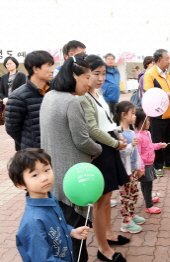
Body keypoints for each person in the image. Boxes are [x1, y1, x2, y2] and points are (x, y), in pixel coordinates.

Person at [40, 54, 103, 262]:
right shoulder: (71, 102)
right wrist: (99, 150)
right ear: (74, 76)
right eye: (86, 77)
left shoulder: (50, 96)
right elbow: (82, 140)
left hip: (55, 176)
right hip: (74, 179)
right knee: (77, 235)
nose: (89, 83)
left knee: (64, 230)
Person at [79, 55, 129, 261]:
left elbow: (107, 121)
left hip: (109, 144)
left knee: (108, 197)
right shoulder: (82, 97)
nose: (100, 78)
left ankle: (108, 233)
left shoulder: (98, 94)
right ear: (85, 74)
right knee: (100, 201)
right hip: (99, 149)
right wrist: (115, 143)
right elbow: (92, 129)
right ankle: (102, 248)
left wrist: (118, 135)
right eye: (95, 74)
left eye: (103, 74)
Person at [9, 148, 90, 262]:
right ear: (21, 184)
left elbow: (56, 226)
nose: (44, 178)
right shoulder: (33, 223)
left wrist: (71, 231)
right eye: (35, 175)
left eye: (47, 170)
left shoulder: (51, 199)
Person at [143, 49, 170, 176]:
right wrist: (165, 96)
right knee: (157, 140)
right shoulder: (150, 75)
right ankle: (158, 165)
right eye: (167, 59)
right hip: (158, 114)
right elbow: (149, 94)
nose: (169, 61)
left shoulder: (167, 74)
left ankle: (169, 162)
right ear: (159, 60)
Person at [5, 51, 54, 150]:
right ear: (35, 68)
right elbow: (12, 128)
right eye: (48, 66)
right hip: (34, 153)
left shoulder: (54, 91)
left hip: (55, 149)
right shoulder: (18, 96)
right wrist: (29, 143)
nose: (52, 70)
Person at [114, 101, 146, 233]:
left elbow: (136, 154)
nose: (135, 116)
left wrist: (138, 168)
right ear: (123, 115)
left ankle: (131, 215)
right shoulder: (119, 133)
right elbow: (122, 153)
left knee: (133, 194)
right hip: (124, 171)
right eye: (132, 113)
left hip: (132, 170)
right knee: (125, 196)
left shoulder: (131, 131)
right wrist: (131, 145)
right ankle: (125, 221)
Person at [135, 108, 165, 213]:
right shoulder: (137, 137)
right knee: (147, 185)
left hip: (149, 163)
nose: (149, 122)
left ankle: (147, 199)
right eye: (147, 120)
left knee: (146, 184)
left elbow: (149, 146)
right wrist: (141, 168)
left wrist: (159, 145)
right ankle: (149, 205)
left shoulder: (147, 133)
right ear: (140, 123)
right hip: (144, 165)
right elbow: (137, 153)